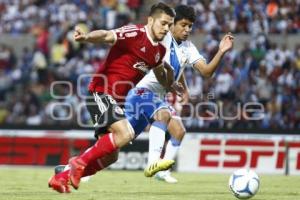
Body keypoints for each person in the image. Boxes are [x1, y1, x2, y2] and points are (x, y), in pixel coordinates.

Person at [48, 2, 175, 193]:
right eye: (163, 23)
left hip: (117, 101)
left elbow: (163, 80)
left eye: (169, 25)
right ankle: (77, 162)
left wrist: (169, 73)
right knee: (125, 134)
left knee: (111, 157)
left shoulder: (159, 52)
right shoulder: (135, 33)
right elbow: (107, 35)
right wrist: (86, 37)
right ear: (150, 20)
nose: (166, 29)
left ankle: (61, 177)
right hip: (101, 91)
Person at [126, 4, 234, 183]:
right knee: (163, 114)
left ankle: (162, 172)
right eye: (183, 25)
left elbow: (206, 71)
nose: (187, 30)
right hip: (140, 91)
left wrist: (221, 51)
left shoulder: (188, 47)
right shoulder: (163, 37)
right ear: (172, 24)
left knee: (177, 131)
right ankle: (153, 162)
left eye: (190, 26)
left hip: (156, 97)